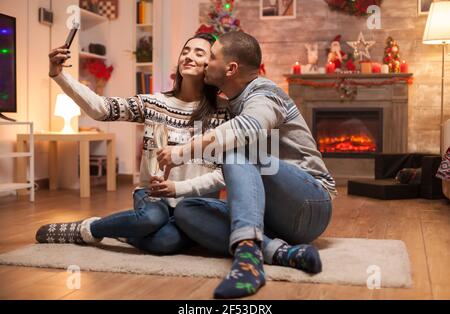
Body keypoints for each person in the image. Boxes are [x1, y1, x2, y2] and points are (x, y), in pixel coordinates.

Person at [157, 31, 338, 299]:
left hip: (311, 204)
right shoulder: (231, 104)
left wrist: (180, 152)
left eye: (212, 57)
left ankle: (248, 262)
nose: (206, 63)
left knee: (236, 151)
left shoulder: (265, 93)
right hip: (272, 217)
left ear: (231, 69)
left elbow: (249, 128)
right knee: (187, 210)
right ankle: (280, 252)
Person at [35, 33, 230, 255]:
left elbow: (223, 172)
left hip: (195, 206)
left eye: (198, 52)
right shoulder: (154, 103)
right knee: (150, 217)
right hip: (153, 195)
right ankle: (87, 229)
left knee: (164, 243)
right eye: (185, 51)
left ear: (212, 64)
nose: (188, 56)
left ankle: (125, 230)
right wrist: (59, 75)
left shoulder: (225, 113)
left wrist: (180, 190)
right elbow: (101, 108)